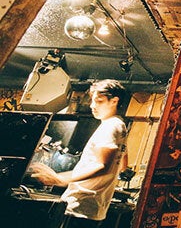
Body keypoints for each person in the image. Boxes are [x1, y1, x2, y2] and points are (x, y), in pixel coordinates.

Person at [31, 79, 131, 228]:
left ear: (114, 101)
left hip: (81, 205)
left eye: (99, 101)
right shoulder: (119, 126)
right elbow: (123, 161)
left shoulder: (110, 127)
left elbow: (103, 166)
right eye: (93, 101)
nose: (92, 106)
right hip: (93, 207)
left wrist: (59, 179)